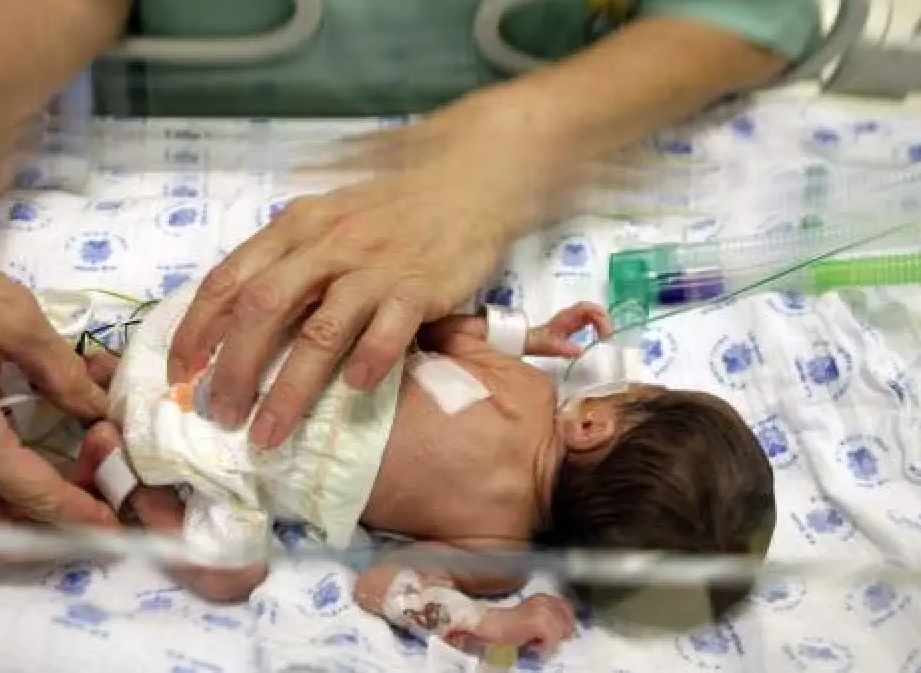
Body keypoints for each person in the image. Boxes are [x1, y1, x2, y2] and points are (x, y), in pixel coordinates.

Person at [0, 0, 814, 527]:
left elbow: (751, 14)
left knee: (169, 473)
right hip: (172, 155)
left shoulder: (518, 463)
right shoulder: (519, 450)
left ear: (597, 423)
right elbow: (461, 345)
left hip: (248, 405)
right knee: (155, 453)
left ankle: (117, 458)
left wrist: (515, 142)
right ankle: (116, 452)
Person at [67, 280, 776, 653]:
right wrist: (488, 622)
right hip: (211, 430)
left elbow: (438, 327)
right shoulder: (500, 557)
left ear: (593, 424)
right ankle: (118, 464)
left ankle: (113, 383)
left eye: (646, 391)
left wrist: (527, 333)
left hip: (213, 343)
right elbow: (386, 586)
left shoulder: (523, 398)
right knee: (229, 571)